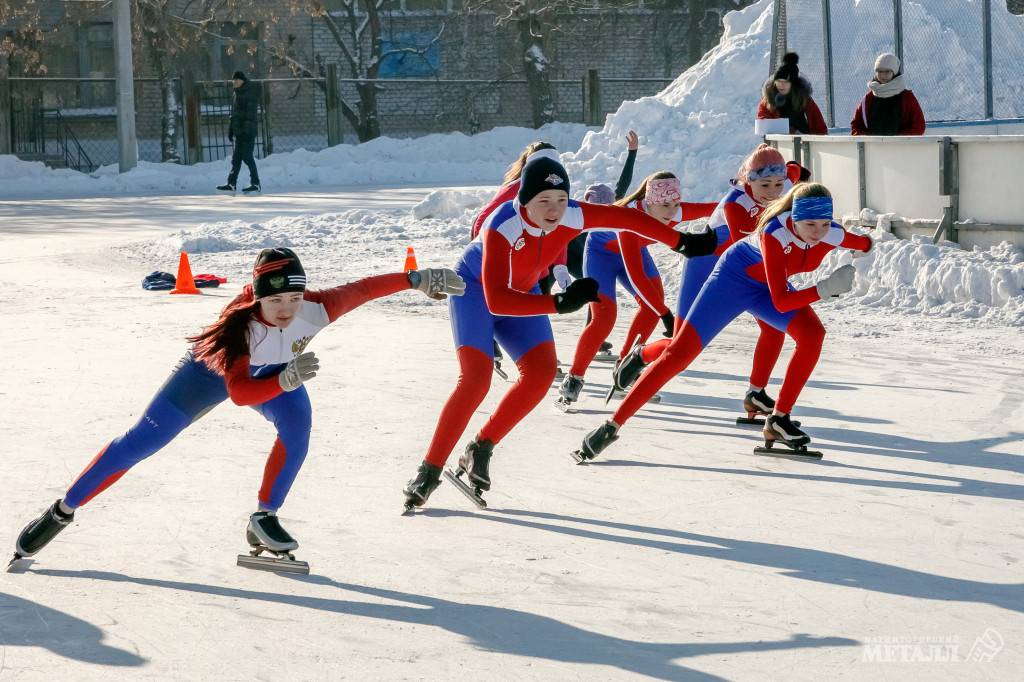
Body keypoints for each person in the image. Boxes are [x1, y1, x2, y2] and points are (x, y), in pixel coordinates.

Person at [12, 248, 465, 564]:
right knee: (141, 443)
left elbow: (365, 288)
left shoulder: (318, 307)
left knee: (298, 429)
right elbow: (241, 393)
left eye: (293, 298)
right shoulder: (240, 329)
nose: (286, 309)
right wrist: (287, 377)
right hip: (211, 376)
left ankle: (264, 517)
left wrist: (416, 279)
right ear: (256, 297)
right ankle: (62, 510)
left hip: (276, 376)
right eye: (275, 300)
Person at [402, 155, 720, 509]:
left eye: (561, 200)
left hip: (523, 293)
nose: (554, 210)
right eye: (544, 202)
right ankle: (429, 469)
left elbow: (627, 217)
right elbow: (497, 300)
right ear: (524, 201)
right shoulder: (502, 227)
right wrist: (559, 304)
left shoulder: (572, 214)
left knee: (540, 375)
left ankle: (481, 447)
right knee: (475, 380)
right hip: (477, 291)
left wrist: (680, 242)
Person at [573, 182, 872, 462]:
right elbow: (781, 301)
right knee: (680, 354)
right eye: (810, 225)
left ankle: (779, 419)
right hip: (733, 280)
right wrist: (824, 289)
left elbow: (863, 243)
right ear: (793, 218)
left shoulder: (831, 232)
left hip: (767, 287)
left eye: (824, 224)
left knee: (812, 335)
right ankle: (612, 424)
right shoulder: (774, 233)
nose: (818, 232)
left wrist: (867, 251)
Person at [611, 144, 804, 421]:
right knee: (682, 346)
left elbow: (793, 174)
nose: (773, 192)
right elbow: (746, 250)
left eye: (778, 184)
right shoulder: (735, 205)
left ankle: (756, 393)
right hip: (707, 264)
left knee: (774, 329)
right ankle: (641, 355)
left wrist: (797, 176)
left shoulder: (778, 184)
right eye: (765, 185)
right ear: (748, 181)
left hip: (742, 268)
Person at [557, 171, 717, 409]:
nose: (673, 211)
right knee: (604, 318)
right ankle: (574, 377)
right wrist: (666, 315)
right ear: (650, 203)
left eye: (676, 203)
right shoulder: (630, 218)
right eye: (665, 204)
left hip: (634, 252)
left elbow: (717, 207)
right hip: (603, 254)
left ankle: (625, 368)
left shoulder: (674, 209)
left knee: (652, 306)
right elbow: (637, 276)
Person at [850, 53, 925, 136]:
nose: (883, 75)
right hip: (873, 148)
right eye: (880, 71)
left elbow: (919, 126)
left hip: (901, 147)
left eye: (887, 71)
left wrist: (898, 140)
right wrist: (868, 141)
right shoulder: (868, 98)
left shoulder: (907, 98)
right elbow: (856, 125)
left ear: (894, 73)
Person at [757, 53, 828, 135]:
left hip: (805, 143)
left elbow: (821, 128)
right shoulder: (768, 101)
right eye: (778, 81)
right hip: (778, 144)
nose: (781, 85)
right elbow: (763, 124)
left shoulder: (805, 100)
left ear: (793, 84)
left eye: (786, 82)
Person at [217, 71, 262, 194]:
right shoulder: (236, 93)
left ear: (243, 81)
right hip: (239, 132)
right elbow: (234, 115)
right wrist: (231, 130)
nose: (235, 82)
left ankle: (256, 184)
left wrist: (246, 131)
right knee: (236, 159)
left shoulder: (249, 93)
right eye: (233, 80)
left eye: (237, 80)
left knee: (247, 157)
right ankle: (231, 184)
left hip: (247, 132)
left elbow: (250, 114)